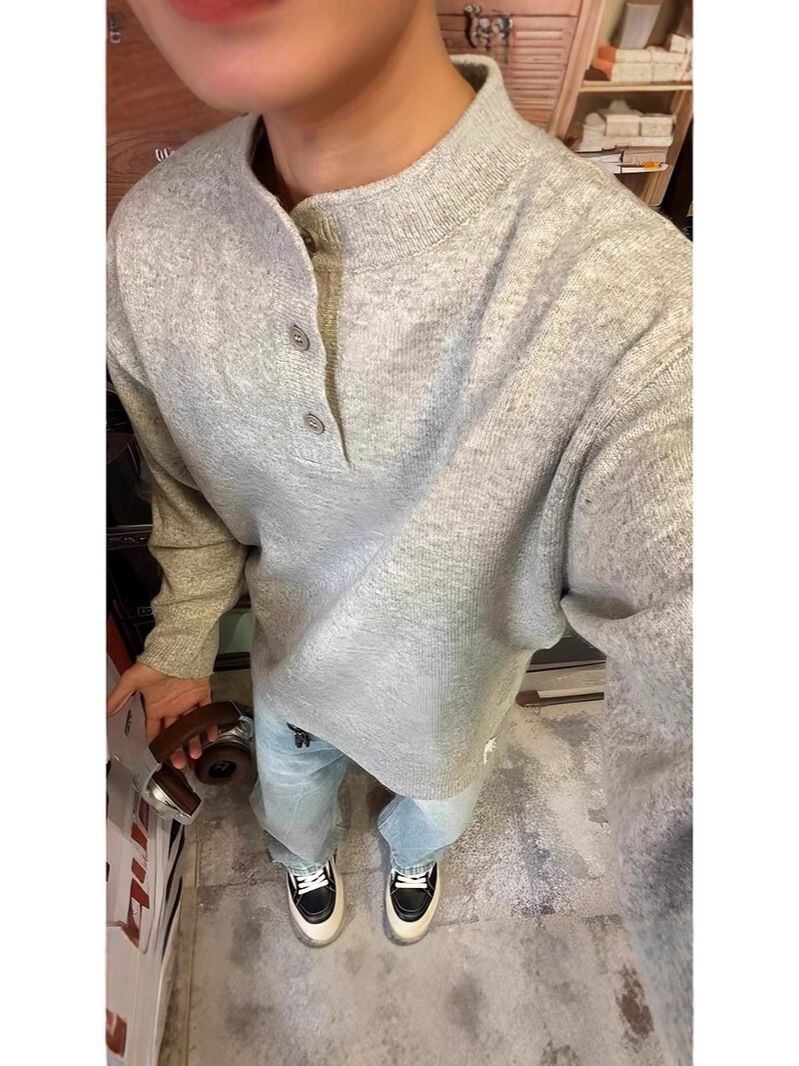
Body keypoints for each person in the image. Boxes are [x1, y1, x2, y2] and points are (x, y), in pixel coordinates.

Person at [106, 1, 691, 1061]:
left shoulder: (635, 302)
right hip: (293, 672)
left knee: (435, 806)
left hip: (448, 698)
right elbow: (183, 486)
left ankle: (409, 848)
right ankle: (304, 857)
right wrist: (184, 641)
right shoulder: (148, 241)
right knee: (294, 799)